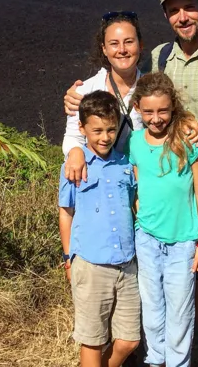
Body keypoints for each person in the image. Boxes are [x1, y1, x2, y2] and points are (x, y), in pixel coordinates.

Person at [64, 0, 198, 367]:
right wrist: (75, 107)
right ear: (165, 15)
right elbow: (121, 101)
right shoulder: (160, 58)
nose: (182, 16)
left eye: (189, 6)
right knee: (197, 290)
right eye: (174, 10)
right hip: (173, 206)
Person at [129, 72, 198, 367]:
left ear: (173, 106)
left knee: (180, 311)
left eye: (162, 110)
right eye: (148, 111)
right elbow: (138, 186)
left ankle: (177, 362)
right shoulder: (134, 142)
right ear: (137, 108)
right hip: (147, 239)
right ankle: (156, 360)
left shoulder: (188, 141)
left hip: (183, 242)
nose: (156, 118)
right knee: (151, 309)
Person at [59, 90, 140, 367]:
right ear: (82, 129)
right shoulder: (73, 165)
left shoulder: (125, 164)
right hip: (91, 263)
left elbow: (135, 204)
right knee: (93, 339)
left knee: (129, 340)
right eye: (97, 131)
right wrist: (68, 258)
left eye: (110, 130)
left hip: (126, 264)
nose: (105, 137)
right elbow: (66, 213)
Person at [62, 11, 198, 166]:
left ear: (140, 45)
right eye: (114, 44)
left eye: (129, 42)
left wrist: (186, 122)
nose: (122, 49)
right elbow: (73, 137)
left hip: (143, 175)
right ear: (104, 49)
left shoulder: (152, 91)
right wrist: (74, 152)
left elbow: (168, 117)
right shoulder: (85, 91)